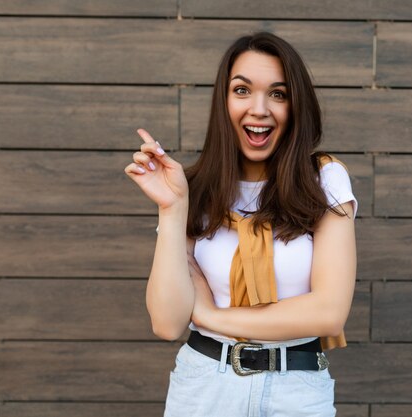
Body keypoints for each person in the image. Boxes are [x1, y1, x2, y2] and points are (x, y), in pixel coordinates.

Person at [124, 32, 357, 417]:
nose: (260, 109)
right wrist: (172, 209)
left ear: (295, 106)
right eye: (242, 90)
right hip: (202, 388)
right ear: (224, 101)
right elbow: (167, 323)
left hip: (295, 390)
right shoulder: (191, 189)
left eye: (278, 94)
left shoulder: (324, 180)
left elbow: (328, 312)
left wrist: (212, 316)